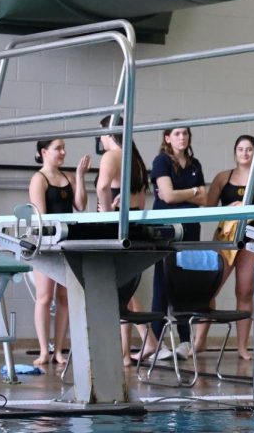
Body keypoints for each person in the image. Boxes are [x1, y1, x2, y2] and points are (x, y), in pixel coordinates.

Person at [202, 134, 254, 359]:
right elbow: (208, 208)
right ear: (234, 152)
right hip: (227, 235)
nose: (245, 153)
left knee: (245, 291)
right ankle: (199, 341)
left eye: (249, 149)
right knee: (209, 288)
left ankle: (242, 347)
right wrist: (231, 209)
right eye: (241, 149)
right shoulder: (222, 177)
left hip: (252, 239)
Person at [144, 125, 208, 360]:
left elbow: (205, 198)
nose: (182, 137)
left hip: (190, 229)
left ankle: (184, 340)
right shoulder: (161, 161)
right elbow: (167, 196)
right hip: (167, 230)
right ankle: (158, 342)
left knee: (185, 284)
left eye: (186, 133)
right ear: (168, 138)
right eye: (177, 134)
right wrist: (192, 191)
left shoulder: (195, 164)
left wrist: (185, 193)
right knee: (162, 283)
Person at [94, 115, 150, 367]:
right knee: (125, 291)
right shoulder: (135, 159)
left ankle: (142, 343)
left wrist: (106, 218)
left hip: (116, 228)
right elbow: (140, 201)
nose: (100, 140)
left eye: (101, 134)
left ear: (110, 133)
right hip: (134, 228)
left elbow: (102, 187)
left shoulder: (111, 156)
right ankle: (129, 351)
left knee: (119, 291)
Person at [28, 138, 89, 367]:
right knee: (44, 297)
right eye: (58, 149)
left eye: (64, 148)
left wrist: (80, 177)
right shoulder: (39, 179)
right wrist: (46, 243)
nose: (63, 152)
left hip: (67, 243)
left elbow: (81, 206)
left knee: (64, 297)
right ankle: (45, 350)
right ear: (44, 152)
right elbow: (40, 215)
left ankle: (59, 350)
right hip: (46, 244)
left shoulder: (68, 178)